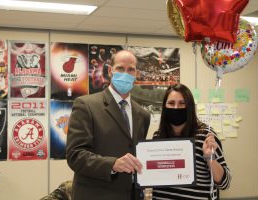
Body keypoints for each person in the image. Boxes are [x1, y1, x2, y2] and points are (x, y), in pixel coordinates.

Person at [66, 50, 151, 200]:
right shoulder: (86, 105)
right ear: (110, 70)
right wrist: (113, 164)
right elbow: (75, 155)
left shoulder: (142, 115)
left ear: (136, 74)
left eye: (130, 69)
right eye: (120, 68)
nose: (125, 73)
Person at [152, 83, 231, 200]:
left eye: (182, 103)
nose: (176, 108)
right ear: (164, 106)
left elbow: (225, 183)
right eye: (171, 103)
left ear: (190, 106)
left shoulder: (206, 135)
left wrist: (210, 158)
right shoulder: (157, 137)